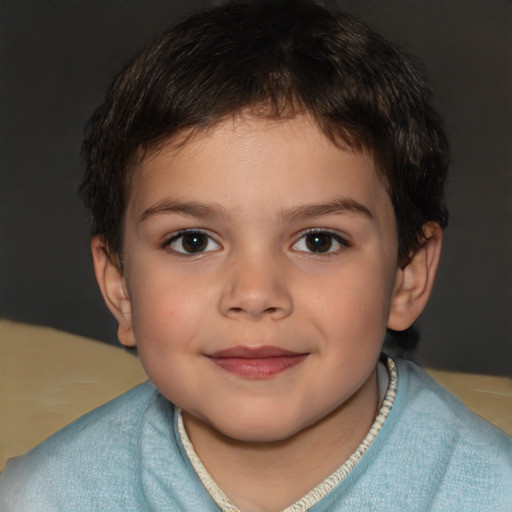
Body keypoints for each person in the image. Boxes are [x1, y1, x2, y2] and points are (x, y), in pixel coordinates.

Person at [1, 0, 510, 510]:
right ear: (120, 288)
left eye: (318, 241)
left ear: (408, 276)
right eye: (193, 241)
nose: (254, 294)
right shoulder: (43, 496)